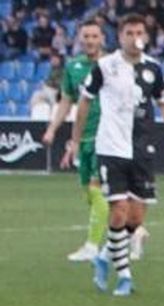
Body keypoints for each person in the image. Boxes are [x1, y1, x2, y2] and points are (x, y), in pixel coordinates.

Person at [69, 13, 164, 298]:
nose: (134, 37)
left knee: (135, 217)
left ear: (145, 37)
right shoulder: (105, 66)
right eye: (128, 32)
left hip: (142, 149)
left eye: (139, 32)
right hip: (111, 147)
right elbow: (84, 102)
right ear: (120, 36)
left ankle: (103, 256)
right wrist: (75, 139)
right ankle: (124, 277)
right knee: (118, 210)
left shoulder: (153, 68)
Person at [43, 20, 108, 264]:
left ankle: (92, 246)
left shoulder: (112, 65)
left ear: (102, 38)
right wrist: (53, 130)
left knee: (95, 188)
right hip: (83, 138)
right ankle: (132, 230)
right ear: (80, 39)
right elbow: (66, 102)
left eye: (94, 36)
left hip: (108, 138)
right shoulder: (74, 67)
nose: (90, 40)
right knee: (89, 195)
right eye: (86, 36)